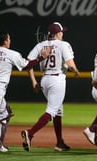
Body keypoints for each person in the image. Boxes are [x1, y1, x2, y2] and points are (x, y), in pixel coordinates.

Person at [22, 22, 80, 152]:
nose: (62, 34)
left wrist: (33, 81)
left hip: (44, 80)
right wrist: (76, 71)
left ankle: (59, 142)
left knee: (58, 110)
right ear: (58, 33)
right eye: (62, 32)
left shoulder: (40, 45)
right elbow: (70, 64)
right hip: (57, 79)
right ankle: (30, 133)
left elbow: (28, 63)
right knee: (52, 111)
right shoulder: (63, 44)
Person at [0, 31, 50, 152]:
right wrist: (42, 58)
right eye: (8, 39)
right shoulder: (11, 54)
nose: (10, 40)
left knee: (5, 113)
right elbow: (26, 65)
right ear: (5, 41)